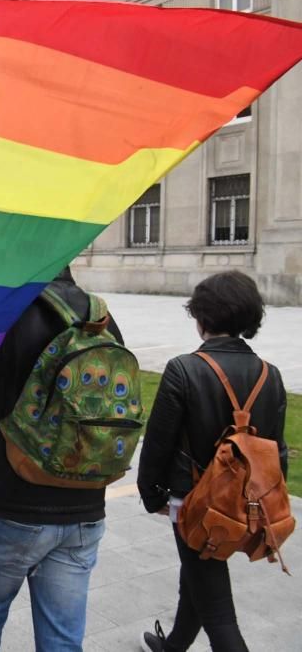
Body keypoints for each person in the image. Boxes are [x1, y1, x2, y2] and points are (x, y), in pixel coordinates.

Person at [0, 268, 116, 651]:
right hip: (84, 506)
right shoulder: (100, 316)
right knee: (62, 638)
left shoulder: (0, 314)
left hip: (11, 505)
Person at [137, 271, 287, 652]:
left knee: (219, 614)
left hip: (196, 505)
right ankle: (172, 646)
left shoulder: (183, 369)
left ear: (201, 317)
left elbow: (157, 444)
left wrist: (151, 494)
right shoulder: (272, 375)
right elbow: (276, 452)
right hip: (244, 505)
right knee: (201, 578)